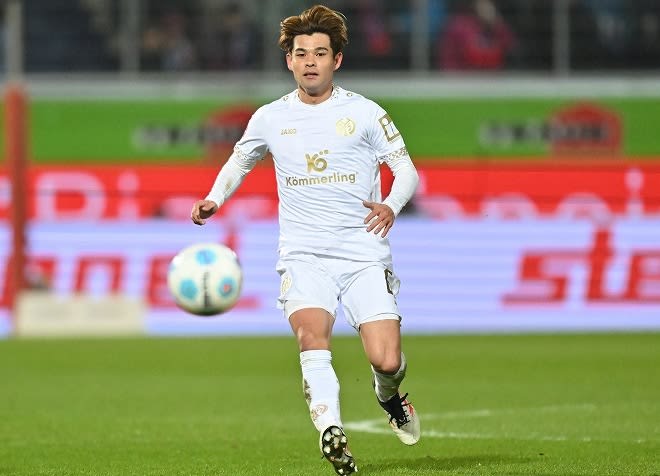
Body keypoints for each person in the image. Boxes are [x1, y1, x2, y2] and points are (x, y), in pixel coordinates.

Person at [191, 5, 420, 475]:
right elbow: (240, 160)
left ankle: (390, 397)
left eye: (319, 53)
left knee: (386, 359)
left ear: (337, 60)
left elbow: (406, 170)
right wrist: (215, 198)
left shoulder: (365, 113)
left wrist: (391, 206)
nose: (310, 61)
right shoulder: (271, 117)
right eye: (301, 53)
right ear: (289, 61)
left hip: (362, 253)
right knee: (311, 337)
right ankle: (331, 432)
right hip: (303, 255)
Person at [437, 0, 516, 71]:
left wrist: (497, 25)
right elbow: (448, 61)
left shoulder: (497, 26)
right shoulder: (458, 26)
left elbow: (511, 48)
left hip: (495, 77)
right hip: (463, 78)